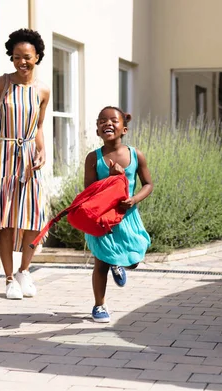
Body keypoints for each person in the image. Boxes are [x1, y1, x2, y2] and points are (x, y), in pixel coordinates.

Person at [0, 28, 50, 300]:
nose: (22, 62)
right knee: (4, 218)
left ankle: (24, 271)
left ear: (37, 57)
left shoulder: (43, 90)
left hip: (29, 156)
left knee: (33, 216)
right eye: (17, 56)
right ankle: (8, 278)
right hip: (2, 155)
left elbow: (38, 127)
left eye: (27, 57)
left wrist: (42, 152)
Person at [84, 106, 153, 323]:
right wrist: (110, 179)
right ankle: (99, 306)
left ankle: (120, 264)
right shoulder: (93, 158)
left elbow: (148, 184)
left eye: (113, 120)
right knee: (100, 263)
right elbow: (88, 191)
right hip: (103, 219)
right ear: (97, 130)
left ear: (124, 129)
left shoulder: (135, 155)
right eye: (102, 120)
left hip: (128, 218)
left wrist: (134, 199)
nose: (108, 123)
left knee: (134, 258)